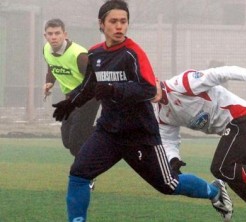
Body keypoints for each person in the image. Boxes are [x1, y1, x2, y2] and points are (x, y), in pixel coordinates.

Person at [51, 1, 233, 221]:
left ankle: (215, 191)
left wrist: (112, 89)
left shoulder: (133, 53)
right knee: (79, 174)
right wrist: (71, 103)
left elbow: (148, 89)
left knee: (169, 184)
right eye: (113, 21)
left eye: (123, 21)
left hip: (139, 134)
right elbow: (90, 86)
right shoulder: (95, 54)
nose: (119, 26)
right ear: (102, 24)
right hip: (108, 132)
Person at [153, 66, 246, 222]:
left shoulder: (183, 83)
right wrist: (173, 160)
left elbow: (223, 72)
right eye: (142, 91)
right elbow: (169, 140)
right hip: (233, 126)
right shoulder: (160, 114)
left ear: (155, 79)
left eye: (148, 86)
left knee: (220, 168)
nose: (147, 92)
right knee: (237, 179)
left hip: (241, 117)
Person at [43, 18, 100, 156]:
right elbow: (52, 65)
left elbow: (94, 80)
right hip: (70, 99)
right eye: (50, 34)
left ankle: (85, 174)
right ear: (45, 36)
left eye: (57, 33)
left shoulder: (79, 55)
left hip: (88, 99)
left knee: (76, 143)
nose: (54, 37)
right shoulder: (46, 49)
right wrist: (49, 82)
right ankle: (105, 130)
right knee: (67, 141)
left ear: (65, 34)